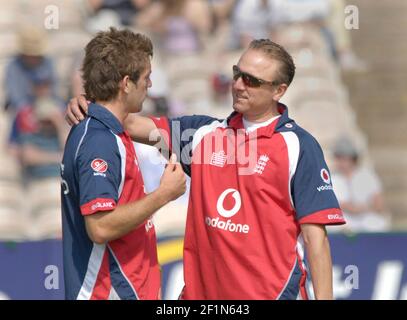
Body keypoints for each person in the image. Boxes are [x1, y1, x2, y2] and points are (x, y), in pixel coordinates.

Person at [66, 39, 345, 300]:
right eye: (237, 73)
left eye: (252, 80)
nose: (238, 84)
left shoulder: (299, 147)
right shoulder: (201, 135)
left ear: (279, 90)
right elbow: (124, 121)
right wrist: (90, 106)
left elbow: (315, 240)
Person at [61, 28, 186, 300]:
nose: (150, 85)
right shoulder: (99, 141)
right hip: (108, 292)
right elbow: (100, 227)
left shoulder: (110, 128)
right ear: (126, 83)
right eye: (147, 77)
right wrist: (164, 194)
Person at [330, 137, 391, 232]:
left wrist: (362, 208)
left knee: (377, 223)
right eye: (339, 157)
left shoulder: (367, 176)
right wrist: (349, 208)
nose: (342, 162)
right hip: (344, 219)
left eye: (345, 158)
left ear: (353, 159)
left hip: (366, 217)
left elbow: (379, 203)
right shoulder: (332, 177)